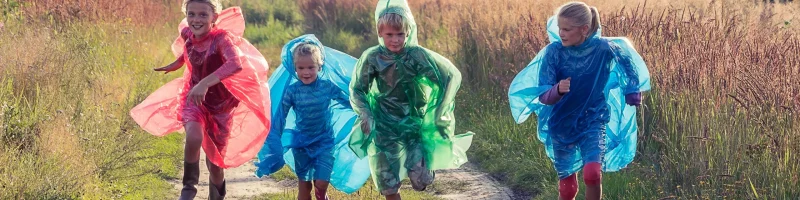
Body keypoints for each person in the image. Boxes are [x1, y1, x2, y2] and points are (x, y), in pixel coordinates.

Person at [507, 2, 652, 199]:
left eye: (567, 29)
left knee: (592, 175)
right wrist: (557, 89)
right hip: (561, 124)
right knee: (567, 189)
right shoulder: (554, 52)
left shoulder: (603, 49)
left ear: (584, 29)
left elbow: (626, 59)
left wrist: (632, 89)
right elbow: (543, 96)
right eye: (560, 28)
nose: (562, 33)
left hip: (593, 120)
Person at [129, 1, 271, 199]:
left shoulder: (222, 39)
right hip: (194, 99)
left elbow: (235, 64)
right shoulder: (187, 33)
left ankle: (216, 194)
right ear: (186, 15)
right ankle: (189, 188)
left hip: (221, 106)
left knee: (215, 164)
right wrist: (177, 63)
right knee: (194, 136)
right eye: (191, 14)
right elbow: (190, 50)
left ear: (214, 18)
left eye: (203, 15)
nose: (196, 19)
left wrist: (205, 83)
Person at [348, 0, 475, 198]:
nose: (395, 40)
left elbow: (446, 77)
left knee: (420, 179)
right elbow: (358, 90)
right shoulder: (373, 58)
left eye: (400, 34)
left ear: (408, 32)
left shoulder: (417, 55)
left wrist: (438, 110)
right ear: (380, 33)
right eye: (389, 34)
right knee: (388, 182)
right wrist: (365, 114)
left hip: (413, 124)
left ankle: (425, 171)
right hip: (384, 125)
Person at [254, 34, 370, 199]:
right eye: (301, 68)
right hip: (301, 144)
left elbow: (348, 100)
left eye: (310, 67)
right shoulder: (292, 91)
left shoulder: (327, 87)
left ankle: (322, 194)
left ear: (319, 66)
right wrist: (274, 136)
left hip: (324, 141)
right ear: (294, 68)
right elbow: (280, 115)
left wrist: (365, 111)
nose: (306, 72)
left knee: (321, 183)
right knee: (304, 186)